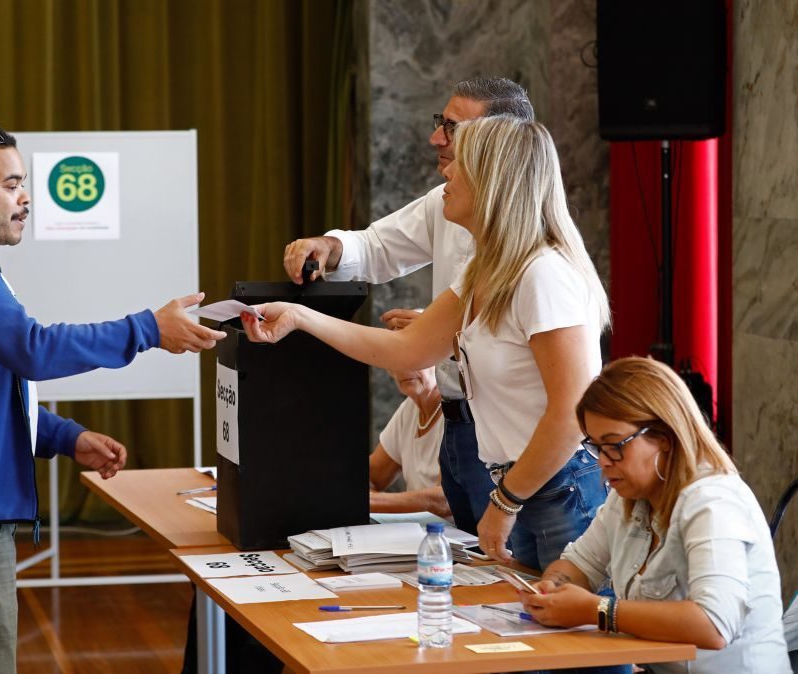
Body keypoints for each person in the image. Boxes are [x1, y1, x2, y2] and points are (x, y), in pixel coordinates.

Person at [0, 121, 226, 673]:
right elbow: (32, 349)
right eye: (11, 184)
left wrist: (65, 436)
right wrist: (147, 329)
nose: (26, 197)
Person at [243, 114, 609, 572]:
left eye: (463, 164)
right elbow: (406, 349)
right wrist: (299, 316)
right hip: (524, 486)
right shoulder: (485, 273)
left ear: (494, 183)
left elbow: (572, 412)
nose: (446, 172)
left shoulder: (543, 276)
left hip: (557, 489)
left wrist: (506, 501)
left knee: (569, 639)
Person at [282, 77, 534, 535]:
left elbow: (561, 390)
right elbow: (379, 245)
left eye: (452, 128)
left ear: (496, 143)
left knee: (515, 578)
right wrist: (329, 246)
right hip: (458, 425)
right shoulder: (450, 200)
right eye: (441, 123)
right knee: (471, 577)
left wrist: (440, 336)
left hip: (513, 439)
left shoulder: (533, 252)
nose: (435, 139)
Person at [519, 357, 791, 673]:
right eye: (596, 447)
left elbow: (714, 625)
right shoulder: (631, 494)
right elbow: (580, 563)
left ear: (664, 437)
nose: (604, 462)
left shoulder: (713, 502)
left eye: (614, 445)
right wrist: (552, 588)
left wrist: (598, 610)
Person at [369, 365, 451, 519]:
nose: (404, 368)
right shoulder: (408, 409)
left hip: (451, 537)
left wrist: (369, 501)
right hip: (414, 533)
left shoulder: (459, 411)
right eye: (396, 360)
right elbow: (372, 476)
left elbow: (446, 499)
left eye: (416, 358)